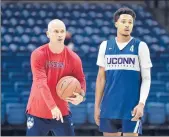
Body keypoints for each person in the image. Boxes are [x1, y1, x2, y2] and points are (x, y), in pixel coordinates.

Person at [95, 7, 152, 136]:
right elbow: (101, 79)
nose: (127, 25)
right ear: (116, 23)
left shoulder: (140, 46)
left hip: (131, 108)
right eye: (123, 21)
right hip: (108, 107)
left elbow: (147, 79)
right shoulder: (105, 45)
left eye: (130, 22)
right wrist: (97, 107)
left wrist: (141, 104)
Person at [26, 19, 86, 136]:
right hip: (37, 111)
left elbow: (81, 78)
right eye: (56, 31)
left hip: (62, 112)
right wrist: (52, 107)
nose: (59, 34)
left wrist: (81, 96)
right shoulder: (38, 54)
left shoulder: (74, 58)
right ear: (48, 34)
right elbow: (40, 82)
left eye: (62, 31)